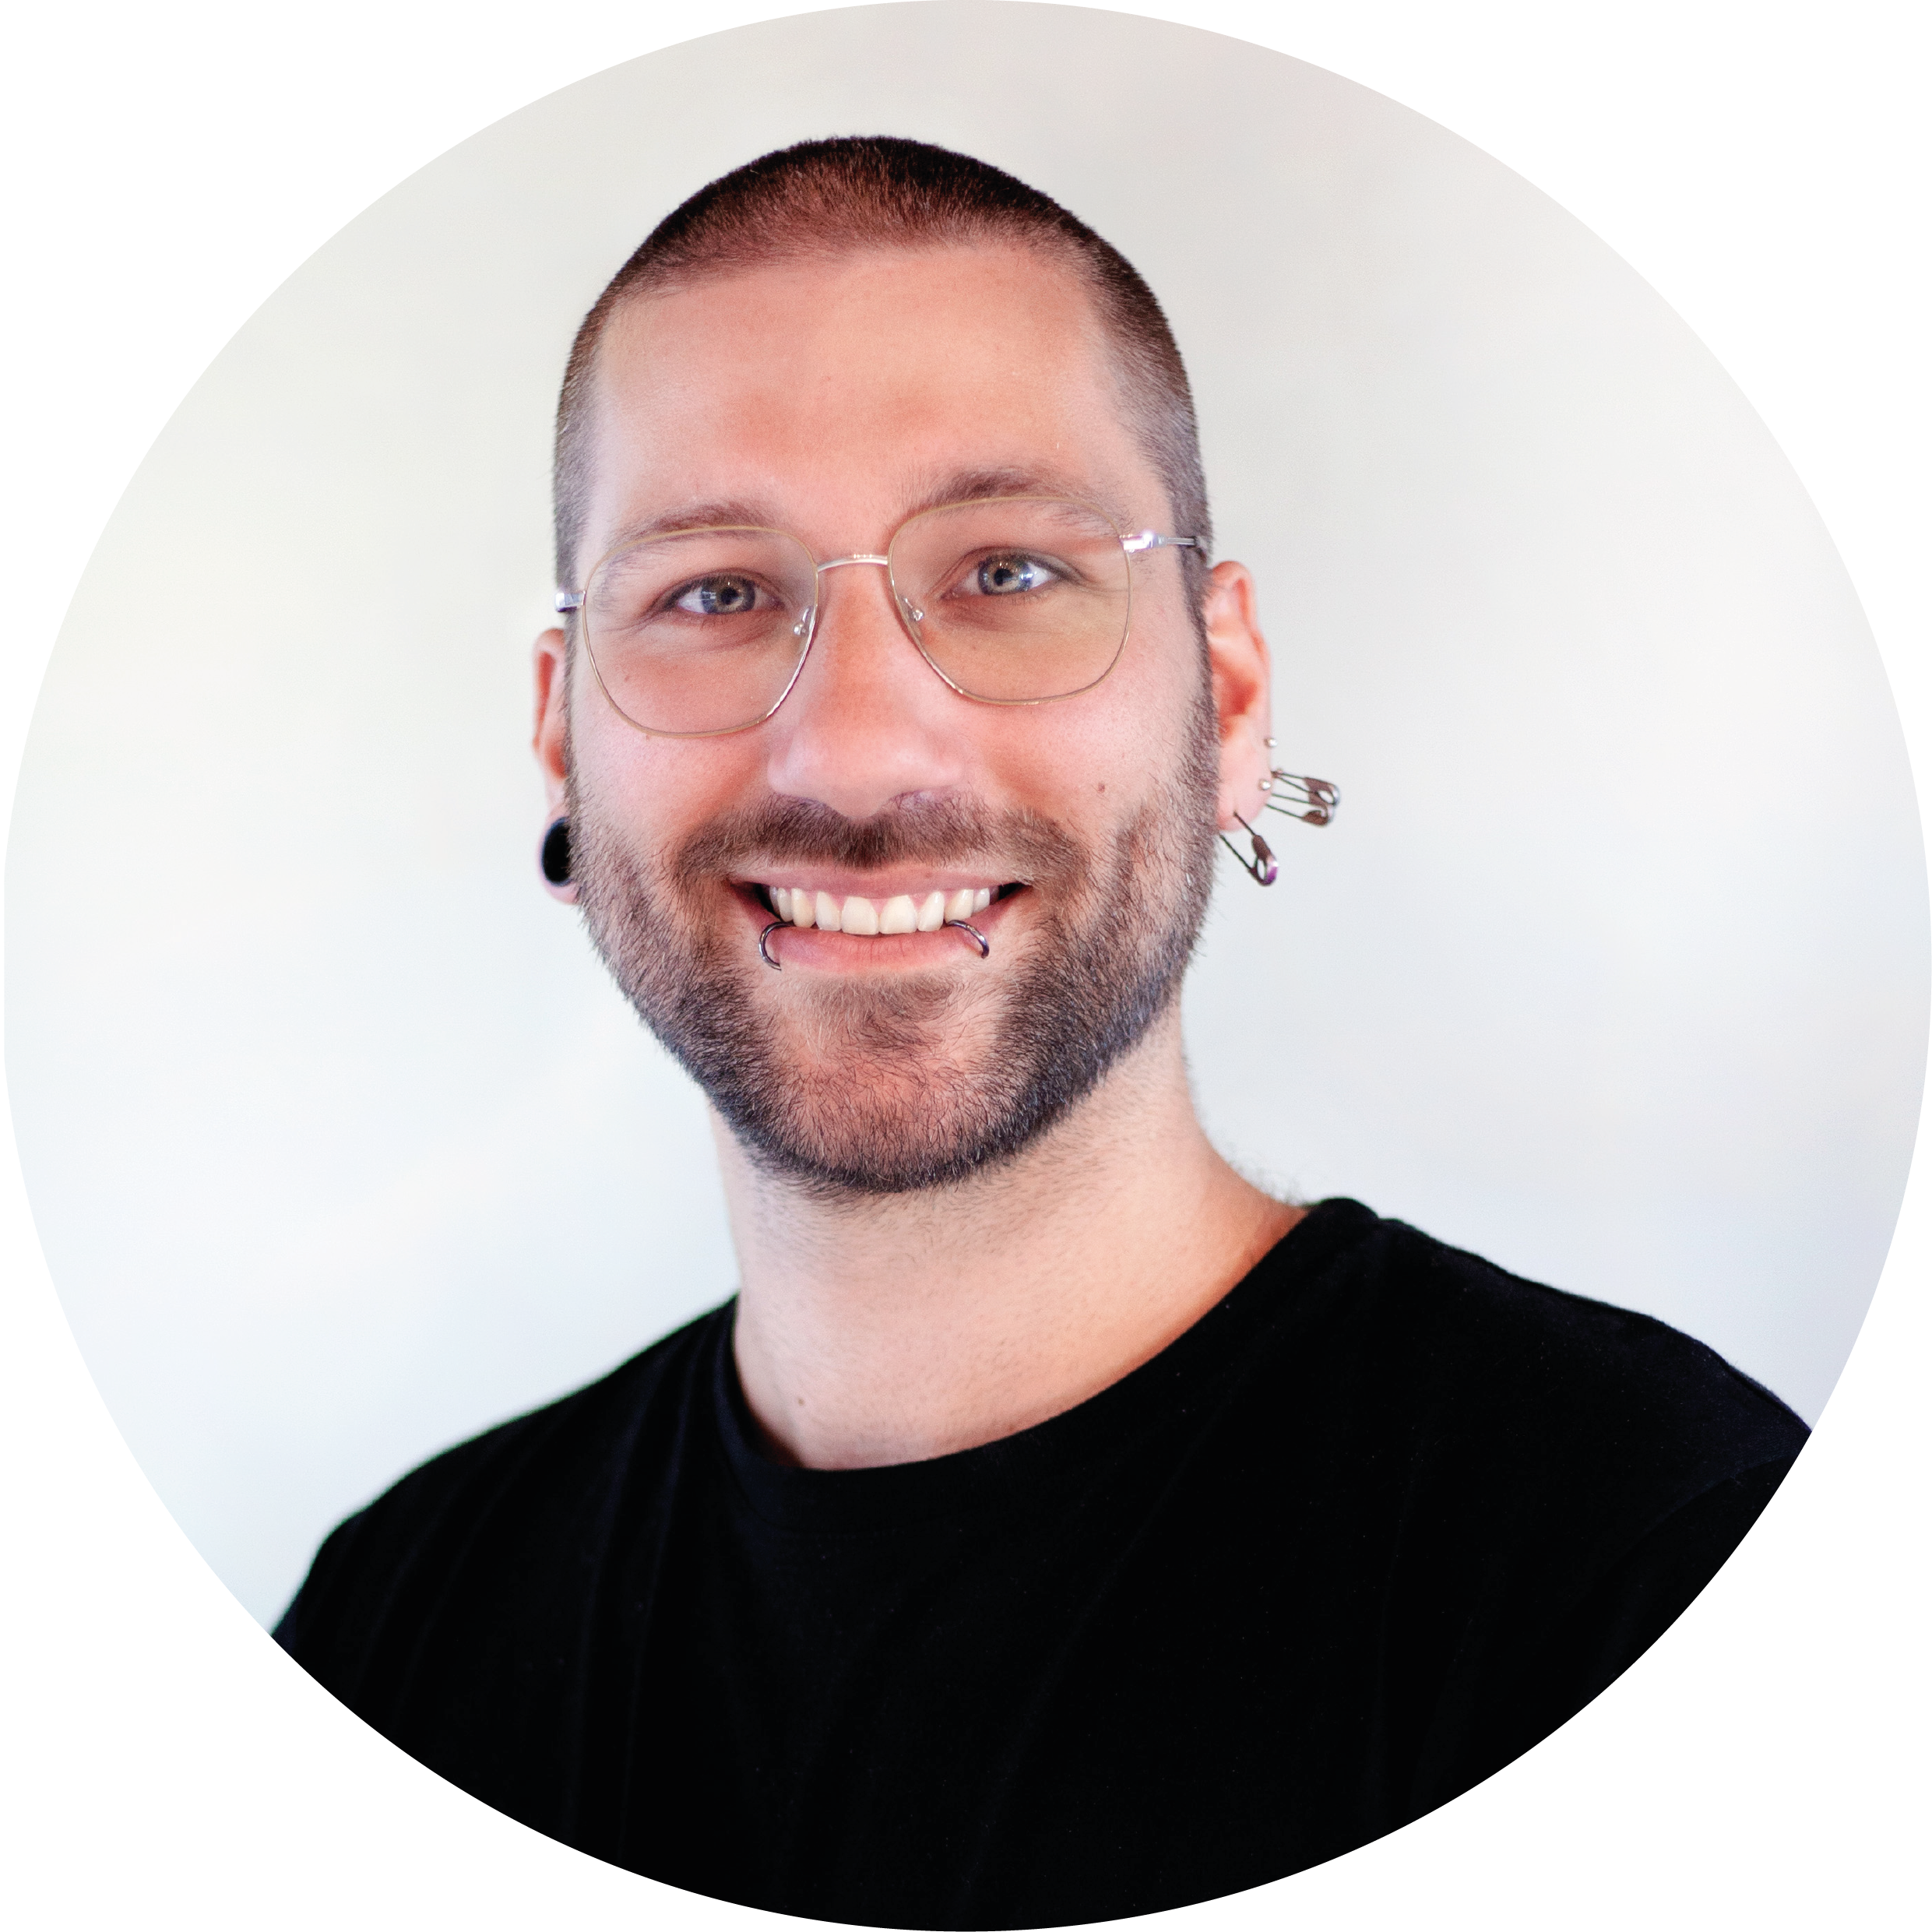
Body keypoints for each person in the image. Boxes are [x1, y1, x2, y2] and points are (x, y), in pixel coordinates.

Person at [275, 137, 1807, 1927]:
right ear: (561, 741)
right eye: (713, 591)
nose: (858, 748)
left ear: (1226, 696)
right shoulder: (396, 1634)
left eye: (1006, 571)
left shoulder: (1654, 1574)